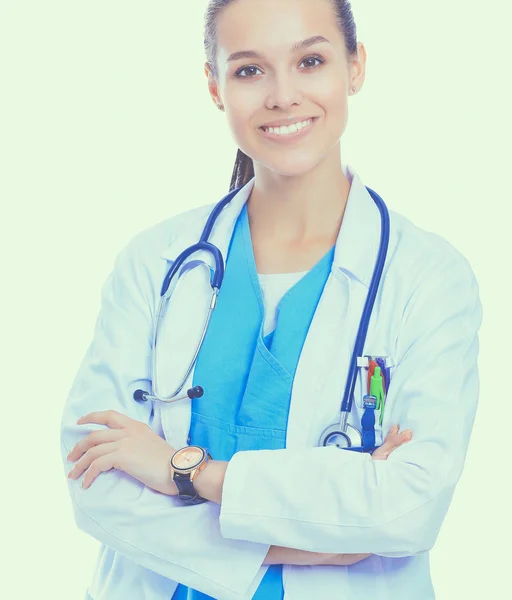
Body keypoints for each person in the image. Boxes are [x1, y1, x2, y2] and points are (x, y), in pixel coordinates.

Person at [60, 0, 483, 599]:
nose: (283, 95)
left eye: (310, 60)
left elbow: (408, 508)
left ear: (355, 67)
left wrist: (185, 472)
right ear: (214, 85)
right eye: (250, 70)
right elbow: (95, 477)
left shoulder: (428, 278)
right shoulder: (153, 263)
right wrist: (312, 540)